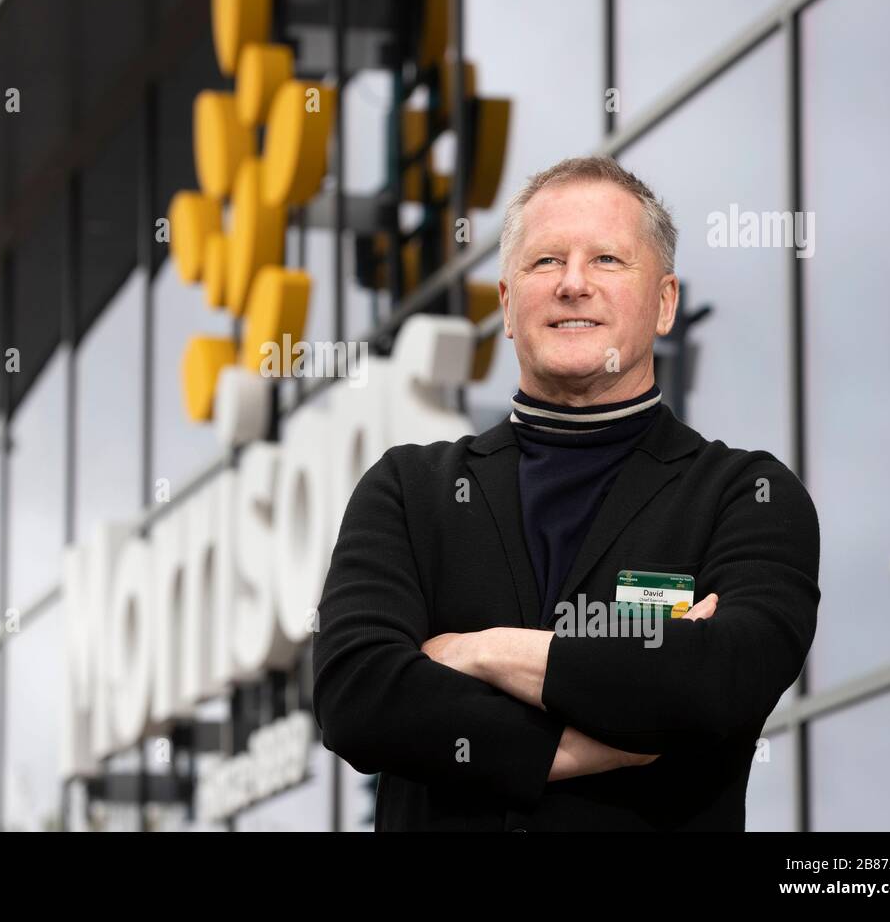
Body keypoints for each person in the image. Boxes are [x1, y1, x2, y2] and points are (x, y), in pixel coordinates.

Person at [311, 155, 820, 831]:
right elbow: (356, 692)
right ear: (507, 305)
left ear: (665, 302)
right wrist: (567, 745)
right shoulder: (409, 490)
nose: (573, 284)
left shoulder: (746, 495)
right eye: (546, 261)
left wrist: (478, 650)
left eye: (608, 260)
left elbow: (716, 681)